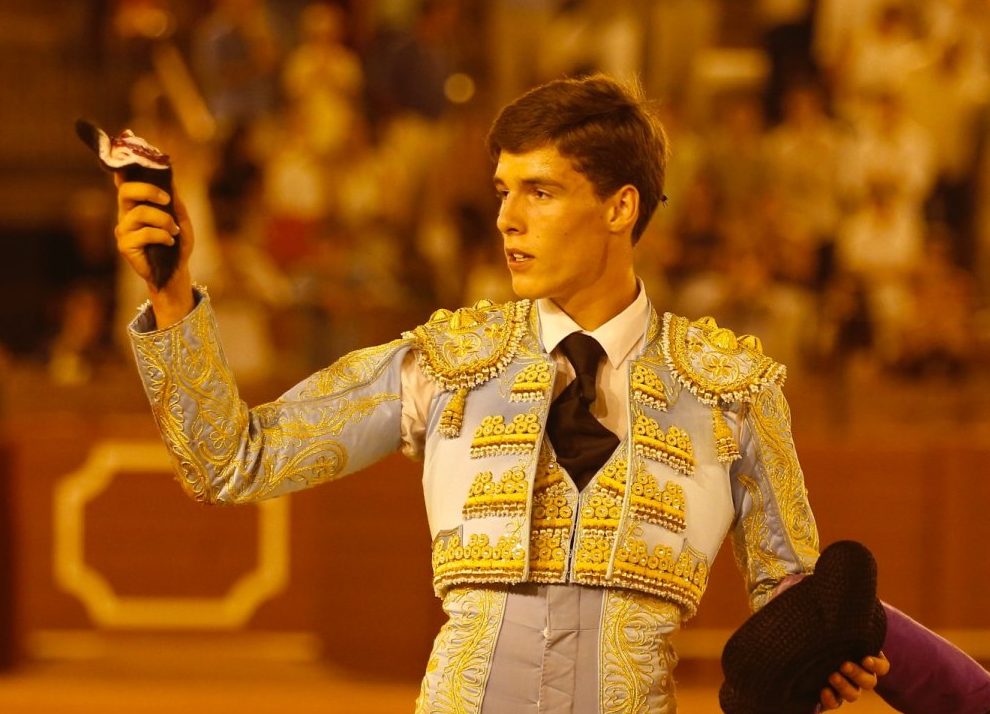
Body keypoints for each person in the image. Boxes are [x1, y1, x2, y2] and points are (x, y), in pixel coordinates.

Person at [115, 74, 986, 712]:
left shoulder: (730, 388)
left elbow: (794, 600)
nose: (506, 218)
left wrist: (845, 657)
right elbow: (230, 459)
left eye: (540, 191)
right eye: (502, 191)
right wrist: (173, 295)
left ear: (619, 207)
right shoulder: (445, 362)